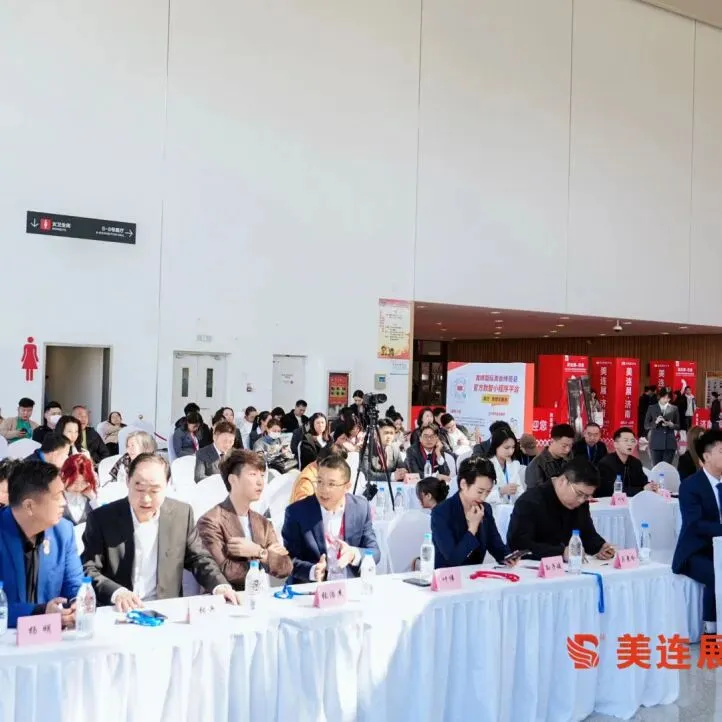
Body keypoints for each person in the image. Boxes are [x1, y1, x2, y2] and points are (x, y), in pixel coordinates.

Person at [81, 453, 237, 609]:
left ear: (167, 485)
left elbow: (199, 559)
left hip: (165, 608)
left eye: (154, 491)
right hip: (120, 609)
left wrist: (219, 585)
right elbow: (88, 568)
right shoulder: (102, 519)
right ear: (128, 481)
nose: (146, 499)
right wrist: (117, 593)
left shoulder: (181, 514)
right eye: (139, 488)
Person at [0, 460, 83, 628]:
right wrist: (40, 612)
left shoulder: (63, 531)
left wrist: (76, 605)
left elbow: (75, 584)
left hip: (52, 636)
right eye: (56, 496)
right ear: (29, 506)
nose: (64, 502)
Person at [197, 450, 293, 590]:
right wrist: (267, 560)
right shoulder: (210, 521)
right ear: (233, 480)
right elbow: (225, 571)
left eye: (262, 475)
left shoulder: (263, 523)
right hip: (227, 599)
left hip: (260, 597)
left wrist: (258, 551)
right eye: (253, 474)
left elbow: (285, 566)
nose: (260, 482)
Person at [282, 454, 380, 584]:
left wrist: (354, 554)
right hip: (311, 588)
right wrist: (312, 570)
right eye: (320, 482)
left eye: (331, 484)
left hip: (349, 586)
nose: (323, 489)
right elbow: (288, 559)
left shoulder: (360, 508)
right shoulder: (297, 512)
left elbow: (375, 552)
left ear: (347, 487)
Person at [507, 458, 615, 561]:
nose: (581, 500)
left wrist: (600, 547)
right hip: (535, 568)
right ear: (563, 481)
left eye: (587, 496)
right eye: (579, 494)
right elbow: (518, 545)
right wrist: (560, 552)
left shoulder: (582, 503)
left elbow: (587, 534)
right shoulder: (529, 501)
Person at [672, 429, 722, 634]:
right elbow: (696, 524)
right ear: (707, 456)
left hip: (720, 548)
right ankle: (711, 630)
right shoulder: (690, 486)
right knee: (718, 574)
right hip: (696, 551)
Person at [431, 456, 516, 568]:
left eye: (488, 492)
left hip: (475, 575)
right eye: (480, 491)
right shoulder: (441, 512)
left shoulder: (485, 508)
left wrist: (508, 557)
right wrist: (472, 528)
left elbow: (496, 546)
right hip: (449, 575)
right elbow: (453, 559)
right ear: (463, 484)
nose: (483, 497)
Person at [597, 427, 655, 497]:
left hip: (633, 501)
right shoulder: (605, 464)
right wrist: (642, 489)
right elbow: (610, 490)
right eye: (626, 440)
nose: (630, 444)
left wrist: (651, 486)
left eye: (632, 441)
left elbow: (643, 482)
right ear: (616, 444)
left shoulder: (636, 463)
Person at [524, 423, 574, 489]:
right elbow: (533, 493)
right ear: (552, 441)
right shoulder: (536, 465)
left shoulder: (570, 457)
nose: (567, 450)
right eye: (564, 446)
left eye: (570, 446)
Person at [360, 417, 407, 483]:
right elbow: (368, 475)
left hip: (393, 486)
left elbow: (401, 467)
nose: (389, 436)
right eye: (386, 433)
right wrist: (392, 476)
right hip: (373, 486)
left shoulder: (395, 448)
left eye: (391, 433)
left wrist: (403, 472)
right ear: (376, 433)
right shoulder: (367, 449)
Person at [487, 428, 525, 504]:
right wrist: (501, 491)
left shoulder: (514, 465)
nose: (511, 451)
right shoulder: (486, 466)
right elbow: (481, 496)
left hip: (511, 508)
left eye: (513, 447)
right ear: (496, 446)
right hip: (493, 509)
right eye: (506, 448)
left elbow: (520, 491)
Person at [645, 388, 680, 465]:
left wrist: (671, 425)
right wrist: (655, 422)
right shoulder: (652, 408)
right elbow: (646, 425)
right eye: (664, 397)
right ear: (659, 396)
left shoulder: (674, 408)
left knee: (667, 468)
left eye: (668, 398)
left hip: (670, 444)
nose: (666, 400)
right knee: (656, 468)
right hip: (656, 443)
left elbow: (678, 425)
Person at [59, 454, 97, 525]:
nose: (79, 487)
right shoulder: (55, 496)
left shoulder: (90, 494)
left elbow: (102, 518)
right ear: (64, 475)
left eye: (84, 482)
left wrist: (93, 498)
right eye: (75, 483)